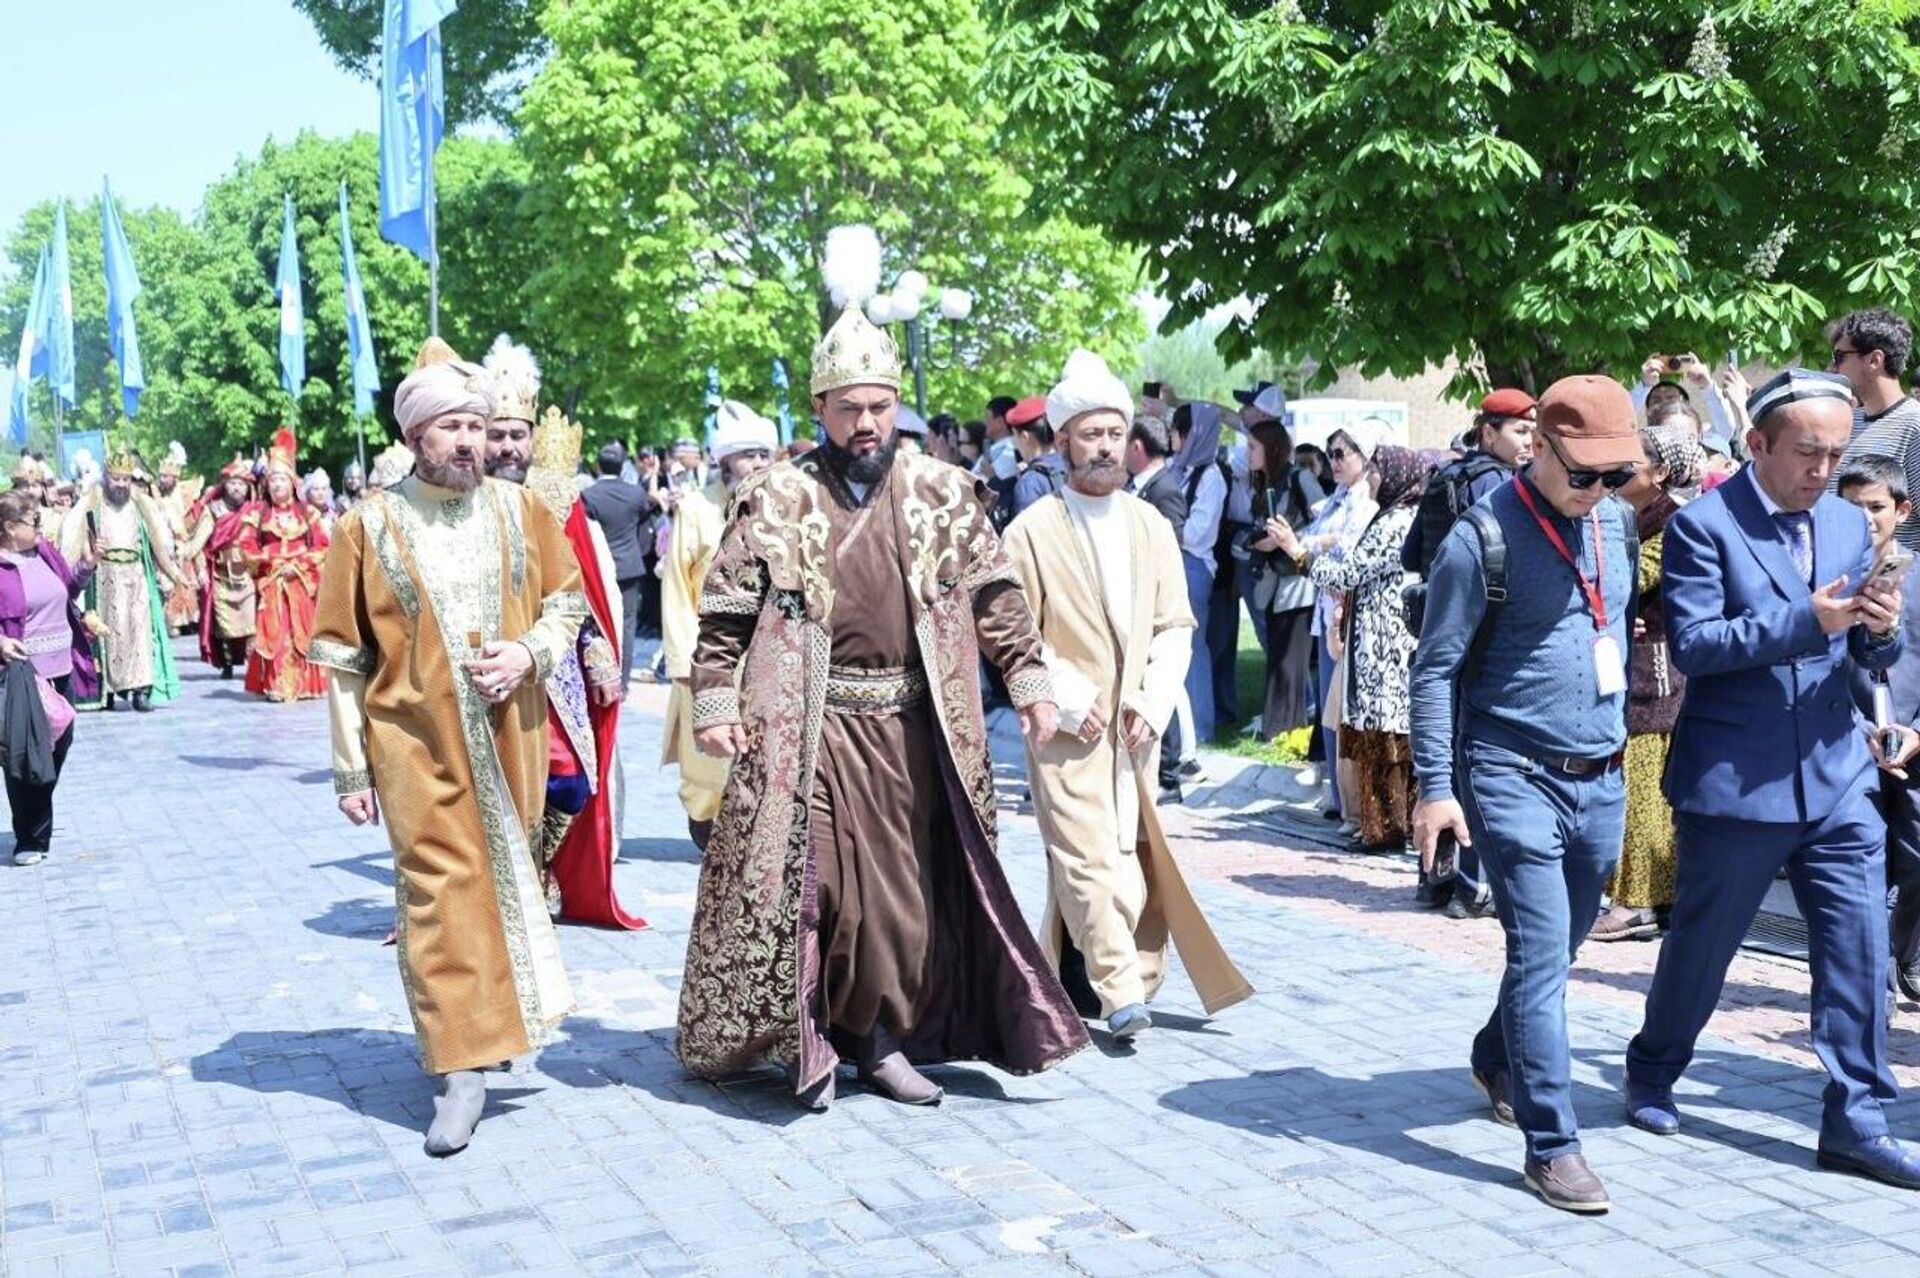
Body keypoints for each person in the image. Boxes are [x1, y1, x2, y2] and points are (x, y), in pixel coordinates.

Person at [676, 226, 1083, 1111]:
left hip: (912, 728)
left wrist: (1031, 684)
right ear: (820, 409)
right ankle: (815, 1041)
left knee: (898, 906)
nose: (868, 424)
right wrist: (714, 702)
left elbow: (997, 598)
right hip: (808, 726)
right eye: (849, 408)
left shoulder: (943, 490)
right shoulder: (777, 496)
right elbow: (725, 615)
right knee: (816, 889)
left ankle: (884, 1040)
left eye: (880, 406)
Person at [1625, 368, 1920, 1191]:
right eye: (1807, 453)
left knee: (1858, 953)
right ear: (1757, 445)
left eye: (1836, 452)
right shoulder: (1703, 527)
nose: (1824, 470)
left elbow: (1863, 654)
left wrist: (1879, 636)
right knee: (1701, 952)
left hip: (1835, 778)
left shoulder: (1845, 524)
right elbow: (1698, 647)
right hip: (1736, 780)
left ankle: (1858, 1118)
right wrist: (1807, 620)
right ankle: (1653, 1069)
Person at [311, 337, 586, 1156]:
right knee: (439, 895)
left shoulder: (522, 510)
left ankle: (496, 1025)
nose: (470, 442)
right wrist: (351, 767)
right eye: (452, 428)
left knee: (506, 882)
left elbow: (567, 604)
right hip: (413, 743)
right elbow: (339, 659)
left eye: (479, 425)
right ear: (414, 438)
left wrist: (528, 652)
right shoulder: (365, 528)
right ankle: (460, 1069)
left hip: (514, 735)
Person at [1409, 376, 1645, 1213]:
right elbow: (1434, 669)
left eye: (1615, 476)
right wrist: (1437, 788)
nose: (1599, 492)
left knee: (1562, 945)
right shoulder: (1481, 540)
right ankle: (1553, 1145)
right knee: (1541, 957)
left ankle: (1495, 1053)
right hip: (1511, 773)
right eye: (1583, 474)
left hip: (1603, 776)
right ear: (1537, 446)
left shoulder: (1616, 522)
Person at [1004, 350, 1251, 1041]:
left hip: (1134, 728)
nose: (1106, 446)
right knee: (1085, 859)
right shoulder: (1031, 531)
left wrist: (1151, 698)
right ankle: (1119, 993)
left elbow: (1177, 623)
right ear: (1063, 444)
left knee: (1126, 861)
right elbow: (1012, 631)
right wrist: (1071, 700)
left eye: (1115, 433)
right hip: (1065, 725)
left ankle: (1067, 978)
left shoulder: (1149, 527)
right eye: (1091, 434)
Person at [1279, 447, 1426, 853]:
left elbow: (1349, 572)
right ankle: (1382, 825)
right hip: (1378, 641)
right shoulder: (1394, 517)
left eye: (1378, 470)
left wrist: (1298, 552)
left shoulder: (1395, 521)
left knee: (1384, 733)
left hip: (1385, 646)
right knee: (1379, 732)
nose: (1373, 478)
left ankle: (1386, 828)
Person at [1590, 426, 1701, 941]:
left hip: (1655, 672)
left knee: (1644, 791)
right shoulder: (1617, 514)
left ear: (1660, 473)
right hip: (1624, 665)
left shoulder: (1672, 521)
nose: (1618, 470)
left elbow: (1629, 579)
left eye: (1632, 462)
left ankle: (1640, 903)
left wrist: (1617, 603)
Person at [659, 401, 775, 850]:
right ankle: (708, 830)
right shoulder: (696, 509)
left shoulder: (783, 509)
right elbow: (675, 586)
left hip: (765, 658)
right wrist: (685, 661)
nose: (759, 464)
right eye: (749, 455)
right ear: (725, 460)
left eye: (765, 454)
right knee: (708, 765)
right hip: (708, 658)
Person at [1837, 457, 1920, 999]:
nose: (1865, 518)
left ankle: (1904, 949)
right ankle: (1869, 981)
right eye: (1852, 507)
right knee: (1857, 870)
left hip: (1912, 744)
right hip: (1848, 743)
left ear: (1901, 510)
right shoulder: (1826, 578)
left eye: (1876, 507)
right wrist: (1858, 727)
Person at [0, 490, 96, 866]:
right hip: (23, 675)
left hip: (62, 668)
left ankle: (36, 811)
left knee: (60, 743)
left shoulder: (45, 552)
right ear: (9, 527)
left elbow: (69, 588)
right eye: (33, 520)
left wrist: (87, 566)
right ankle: (29, 837)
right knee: (25, 754)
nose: (40, 526)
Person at [1290, 424, 1379, 824]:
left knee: (1344, 708)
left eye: (1342, 453)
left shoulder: (1367, 500)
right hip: (1327, 611)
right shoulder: (1337, 497)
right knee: (1329, 708)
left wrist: (1317, 544)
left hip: (1350, 613)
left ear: (1365, 455)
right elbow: (1314, 537)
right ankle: (1339, 797)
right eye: (1330, 455)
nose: (1334, 462)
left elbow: (1348, 546)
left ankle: (1355, 802)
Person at [59, 448, 184, 713]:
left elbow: (159, 538)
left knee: (139, 632)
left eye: (125, 479)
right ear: (107, 476)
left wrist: (172, 571)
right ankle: (110, 691)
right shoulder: (93, 502)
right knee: (108, 634)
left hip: (136, 576)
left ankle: (140, 691)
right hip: (105, 576)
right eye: (116, 479)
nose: (121, 484)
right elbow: (74, 536)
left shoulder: (141, 504)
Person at [1239, 413, 1326, 744]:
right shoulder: (1265, 484)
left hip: (1299, 580)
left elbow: (1325, 521)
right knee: (1279, 656)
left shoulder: (1299, 478)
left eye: (1253, 447)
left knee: (1290, 658)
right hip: (1274, 581)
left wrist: (1290, 540)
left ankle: (1286, 728)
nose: (1248, 453)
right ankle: (1283, 726)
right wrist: (1260, 540)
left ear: (1270, 448)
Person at [240, 430, 329, 703]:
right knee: (274, 632)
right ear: (267, 484)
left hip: (300, 585)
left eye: (282, 479)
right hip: (272, 585)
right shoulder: (256, 514)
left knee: (302, 630)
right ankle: (276, 685)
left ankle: (305, 685)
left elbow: (324, 548)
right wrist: (271, 562)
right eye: (273, 479)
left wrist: (299, 566)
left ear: (292, 483)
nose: (278, 485)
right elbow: (246, 548)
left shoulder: (309, 514)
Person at [1833, 309, 1920, 551]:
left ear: (1874, 360)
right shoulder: (1847, 421)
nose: (1832, 367)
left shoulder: (1914, 425)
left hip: (1895, 584)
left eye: (1840, 356)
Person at [581, 440, 656, 692]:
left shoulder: (589, 496)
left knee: (598, 623)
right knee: (627, 624)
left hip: (599, 568)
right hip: (629, 567)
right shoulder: (635, 494)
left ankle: (601, 676)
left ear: (598, 465)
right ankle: (622, 682)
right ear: (623, 464)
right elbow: (647, 513)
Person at [180, 458, 258, 679]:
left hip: (247, 577)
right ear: (225, 485)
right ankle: (226, 664)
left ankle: (253, 665)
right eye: (233, 483)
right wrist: (199, 569)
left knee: (252, 624)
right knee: (224, 626)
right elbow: (197, 546)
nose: (237, 487)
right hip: (222, 575)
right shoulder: (212, 511)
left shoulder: (254, 511)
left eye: (241, 484)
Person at [153, 443, 202, 635]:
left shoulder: (184, 493)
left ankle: (190, 619)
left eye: (166, 476)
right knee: (170, 582)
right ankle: (173, 621)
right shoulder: (157, 495)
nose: (162, 479)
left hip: (184, 543)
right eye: (161, 476)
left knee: (187, 581)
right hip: (167, 543)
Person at [1009, 400, 1066, 516]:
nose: (1014, 443)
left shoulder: (1029, 483)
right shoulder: (1074, 464)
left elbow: (1026, 532)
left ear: (1025, 437)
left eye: (1014, 436)